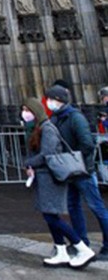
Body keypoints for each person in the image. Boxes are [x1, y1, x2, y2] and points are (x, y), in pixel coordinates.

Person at [23, 98, 97, 268]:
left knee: (52, 216)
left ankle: (82, 248)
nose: (25, 113)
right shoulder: (38, 128)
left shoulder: (48, 128)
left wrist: (29, 163)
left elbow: (47, 154)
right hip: (43, 178)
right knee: (50, 216)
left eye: (28, 109)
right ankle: (61, 251)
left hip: (51, 178)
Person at [46, 85, 108, 260]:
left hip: (82, 171)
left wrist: (77, 162)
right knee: (73, 208)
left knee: (97, 208)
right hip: (68, 172)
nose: (49, 102)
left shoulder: (75, 118)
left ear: (58, 100)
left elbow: (87, 144)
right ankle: (81, 244)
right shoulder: (56, 118)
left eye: (51, 99)